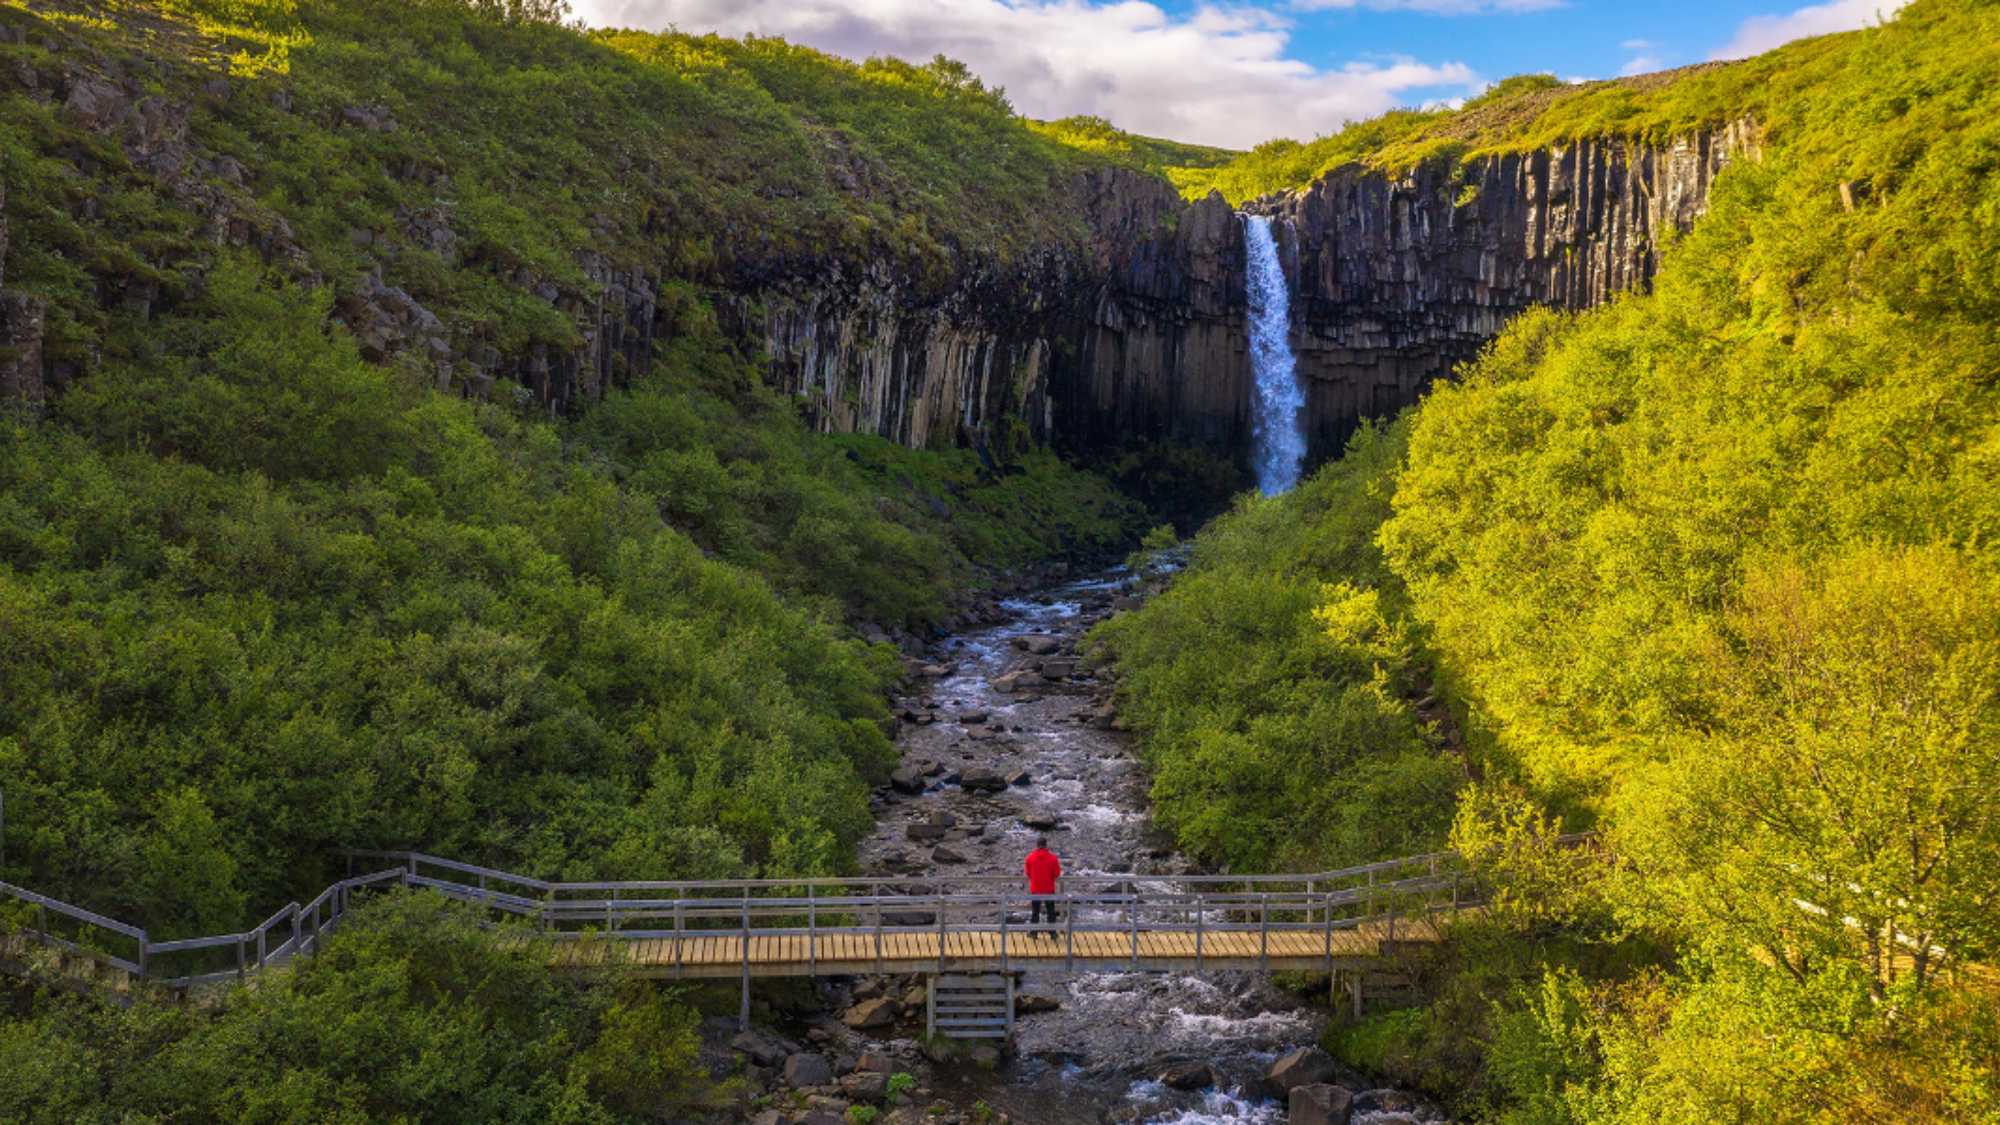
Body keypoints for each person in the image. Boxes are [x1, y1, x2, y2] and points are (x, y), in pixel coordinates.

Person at [1025, 836, 1061, 938]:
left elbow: (1028, 873)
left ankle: (1034, 932)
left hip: (1035, 888)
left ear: (1037, 845)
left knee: (1035, 911)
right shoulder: (1052, 858)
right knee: (1051, 911)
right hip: (1048, 888)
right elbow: (1056, 874)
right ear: (1046, 845)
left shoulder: (1030, 857)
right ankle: (1052, 933)